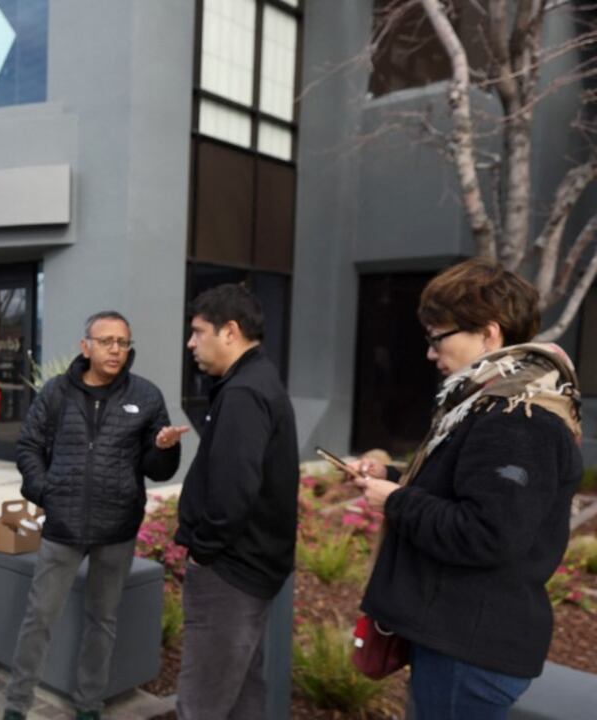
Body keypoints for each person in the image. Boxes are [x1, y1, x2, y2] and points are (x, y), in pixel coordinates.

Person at [348, 259, 582, 719]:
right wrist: (391, 481)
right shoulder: (493, 404)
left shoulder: (516, 416)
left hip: (471, 650)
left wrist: (395, 501)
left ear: (488, 333)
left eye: (438, 337)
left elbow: (487, 533)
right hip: (463, 640)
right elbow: (467, 496)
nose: (431, 353)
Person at [5, 311, 187, 720]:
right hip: (63, 527)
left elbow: (157, 469)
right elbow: (28, 447)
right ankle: (17, 703)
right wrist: (45, 491)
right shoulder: (55, 393)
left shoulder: (146, 395)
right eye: (106, 341)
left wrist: (164, 447)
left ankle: (89, 704)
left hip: (116, 529)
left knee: (102, 621)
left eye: (123, 343)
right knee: (39, 617)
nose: (116, 350)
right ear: (85, 346)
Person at [174, 283, 299, 720]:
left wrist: (204, 552)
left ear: (229, 331)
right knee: (242, 694)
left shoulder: (245, 392)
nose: (191, 343)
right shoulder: (256, 381)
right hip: (250, 568)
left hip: (230, 571)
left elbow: (232, 492)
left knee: (202, 702)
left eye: (197, 331)